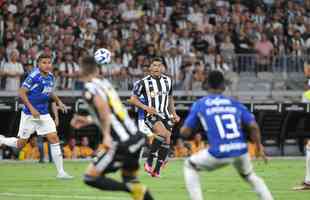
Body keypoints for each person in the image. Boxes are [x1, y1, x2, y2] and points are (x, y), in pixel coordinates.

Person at [70, 56, 154, 200]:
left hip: (121, 142)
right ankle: (134, 189)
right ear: (96, 69)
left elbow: (103, 108)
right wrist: (88, 120)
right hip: (136, 137)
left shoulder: (89, 88)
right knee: (133, 182)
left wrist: (107, 135)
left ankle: (128, 188)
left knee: (90, 177)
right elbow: (112, 112)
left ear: (81, 69)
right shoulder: (105, 83)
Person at [180, 70, 273, 200]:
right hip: (240, 150)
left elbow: (185, 132)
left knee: (189, 165)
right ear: (223, 86)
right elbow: (253, 126)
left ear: (206, 85)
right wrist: (258, 146)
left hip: (219, 152)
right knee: (250, 176)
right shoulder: (234, 103)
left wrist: (191, 131)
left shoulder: (200, 104)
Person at [0, 53, 73, 179]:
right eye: (44, 62)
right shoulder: (33, 76)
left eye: (49, 62)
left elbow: (49, 92)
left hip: (43, 114)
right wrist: (32, 108)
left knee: (54, 138)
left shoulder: (50, 77)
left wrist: (59, 102)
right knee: (20, 144)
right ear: (38, 64)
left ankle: (61, 172)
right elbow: (21, 92)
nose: (47, 65)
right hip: (29, 115)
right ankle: (1, 140)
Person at [129, 57, 180, 177]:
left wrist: (174, 113)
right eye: (154, 65)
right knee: (162, 133)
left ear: (162, 68)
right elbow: (133, 99)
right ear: (150, 68)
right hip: (151, 115)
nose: (157, 68)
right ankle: (149, 160)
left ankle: (156, 171)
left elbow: (170, 98)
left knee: (167, 139)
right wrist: (146, 108)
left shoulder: (168, 81)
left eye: (159, 65)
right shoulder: (143, 82)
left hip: (165, 115)